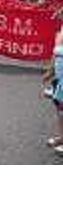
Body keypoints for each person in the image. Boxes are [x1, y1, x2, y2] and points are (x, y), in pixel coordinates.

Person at [43, 26, 63, 155]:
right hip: (59, 76)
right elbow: (55, 53)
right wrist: (50, 71)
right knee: (60, 110)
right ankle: (61, 137)